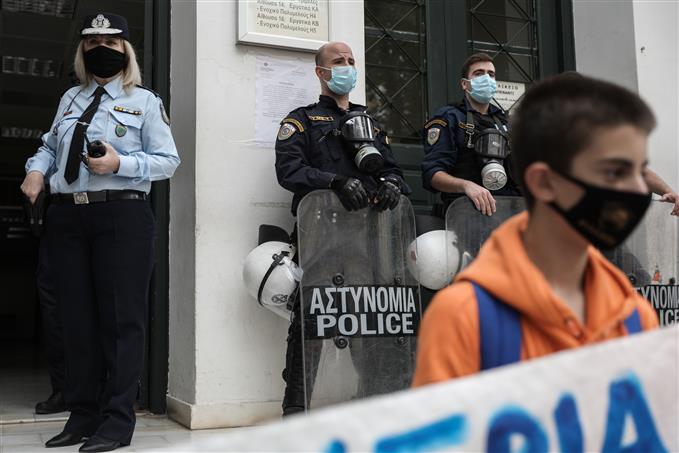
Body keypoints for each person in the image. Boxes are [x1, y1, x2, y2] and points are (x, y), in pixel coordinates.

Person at [412, 73, 658, 386]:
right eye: (613, 172)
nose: (636, 190)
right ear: (543, 182)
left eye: (639, 171)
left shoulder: (635, 315)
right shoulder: (464, 317)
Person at [20, 12, 179, 452]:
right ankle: (82, 414)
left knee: (120, 322)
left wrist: (119, 163)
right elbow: (49, 144)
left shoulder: (144, 101)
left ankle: (117, 420)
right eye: (92, 44)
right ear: (82, 51)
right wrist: (36, 171)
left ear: (125, 51)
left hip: (121, 216)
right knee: (76, 322)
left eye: (110, 43)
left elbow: (168, 161)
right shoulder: (71, 98)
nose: (101, 50)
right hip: (68, 217)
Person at [275, 41, 410, 415]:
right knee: (311, 324)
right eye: (338, 61)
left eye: (351, 61)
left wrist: (391, 185)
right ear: (321, 72)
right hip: (320, 238)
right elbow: (288, 171)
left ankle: (370, 405)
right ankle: (296, 412)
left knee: (367, 322)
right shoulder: (302, 120)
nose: (347, 66)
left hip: (366, 240)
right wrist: (333, 182)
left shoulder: (373, 123)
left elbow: (394, 172)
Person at [421, 53, 520, 218]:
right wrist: (466, 186)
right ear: (465, 84)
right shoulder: (449, 118)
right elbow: (432, 174)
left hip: (507, 213)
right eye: (479, 73)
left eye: (491, 74)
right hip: (465, 214)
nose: (486, 78)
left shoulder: (506, 123)